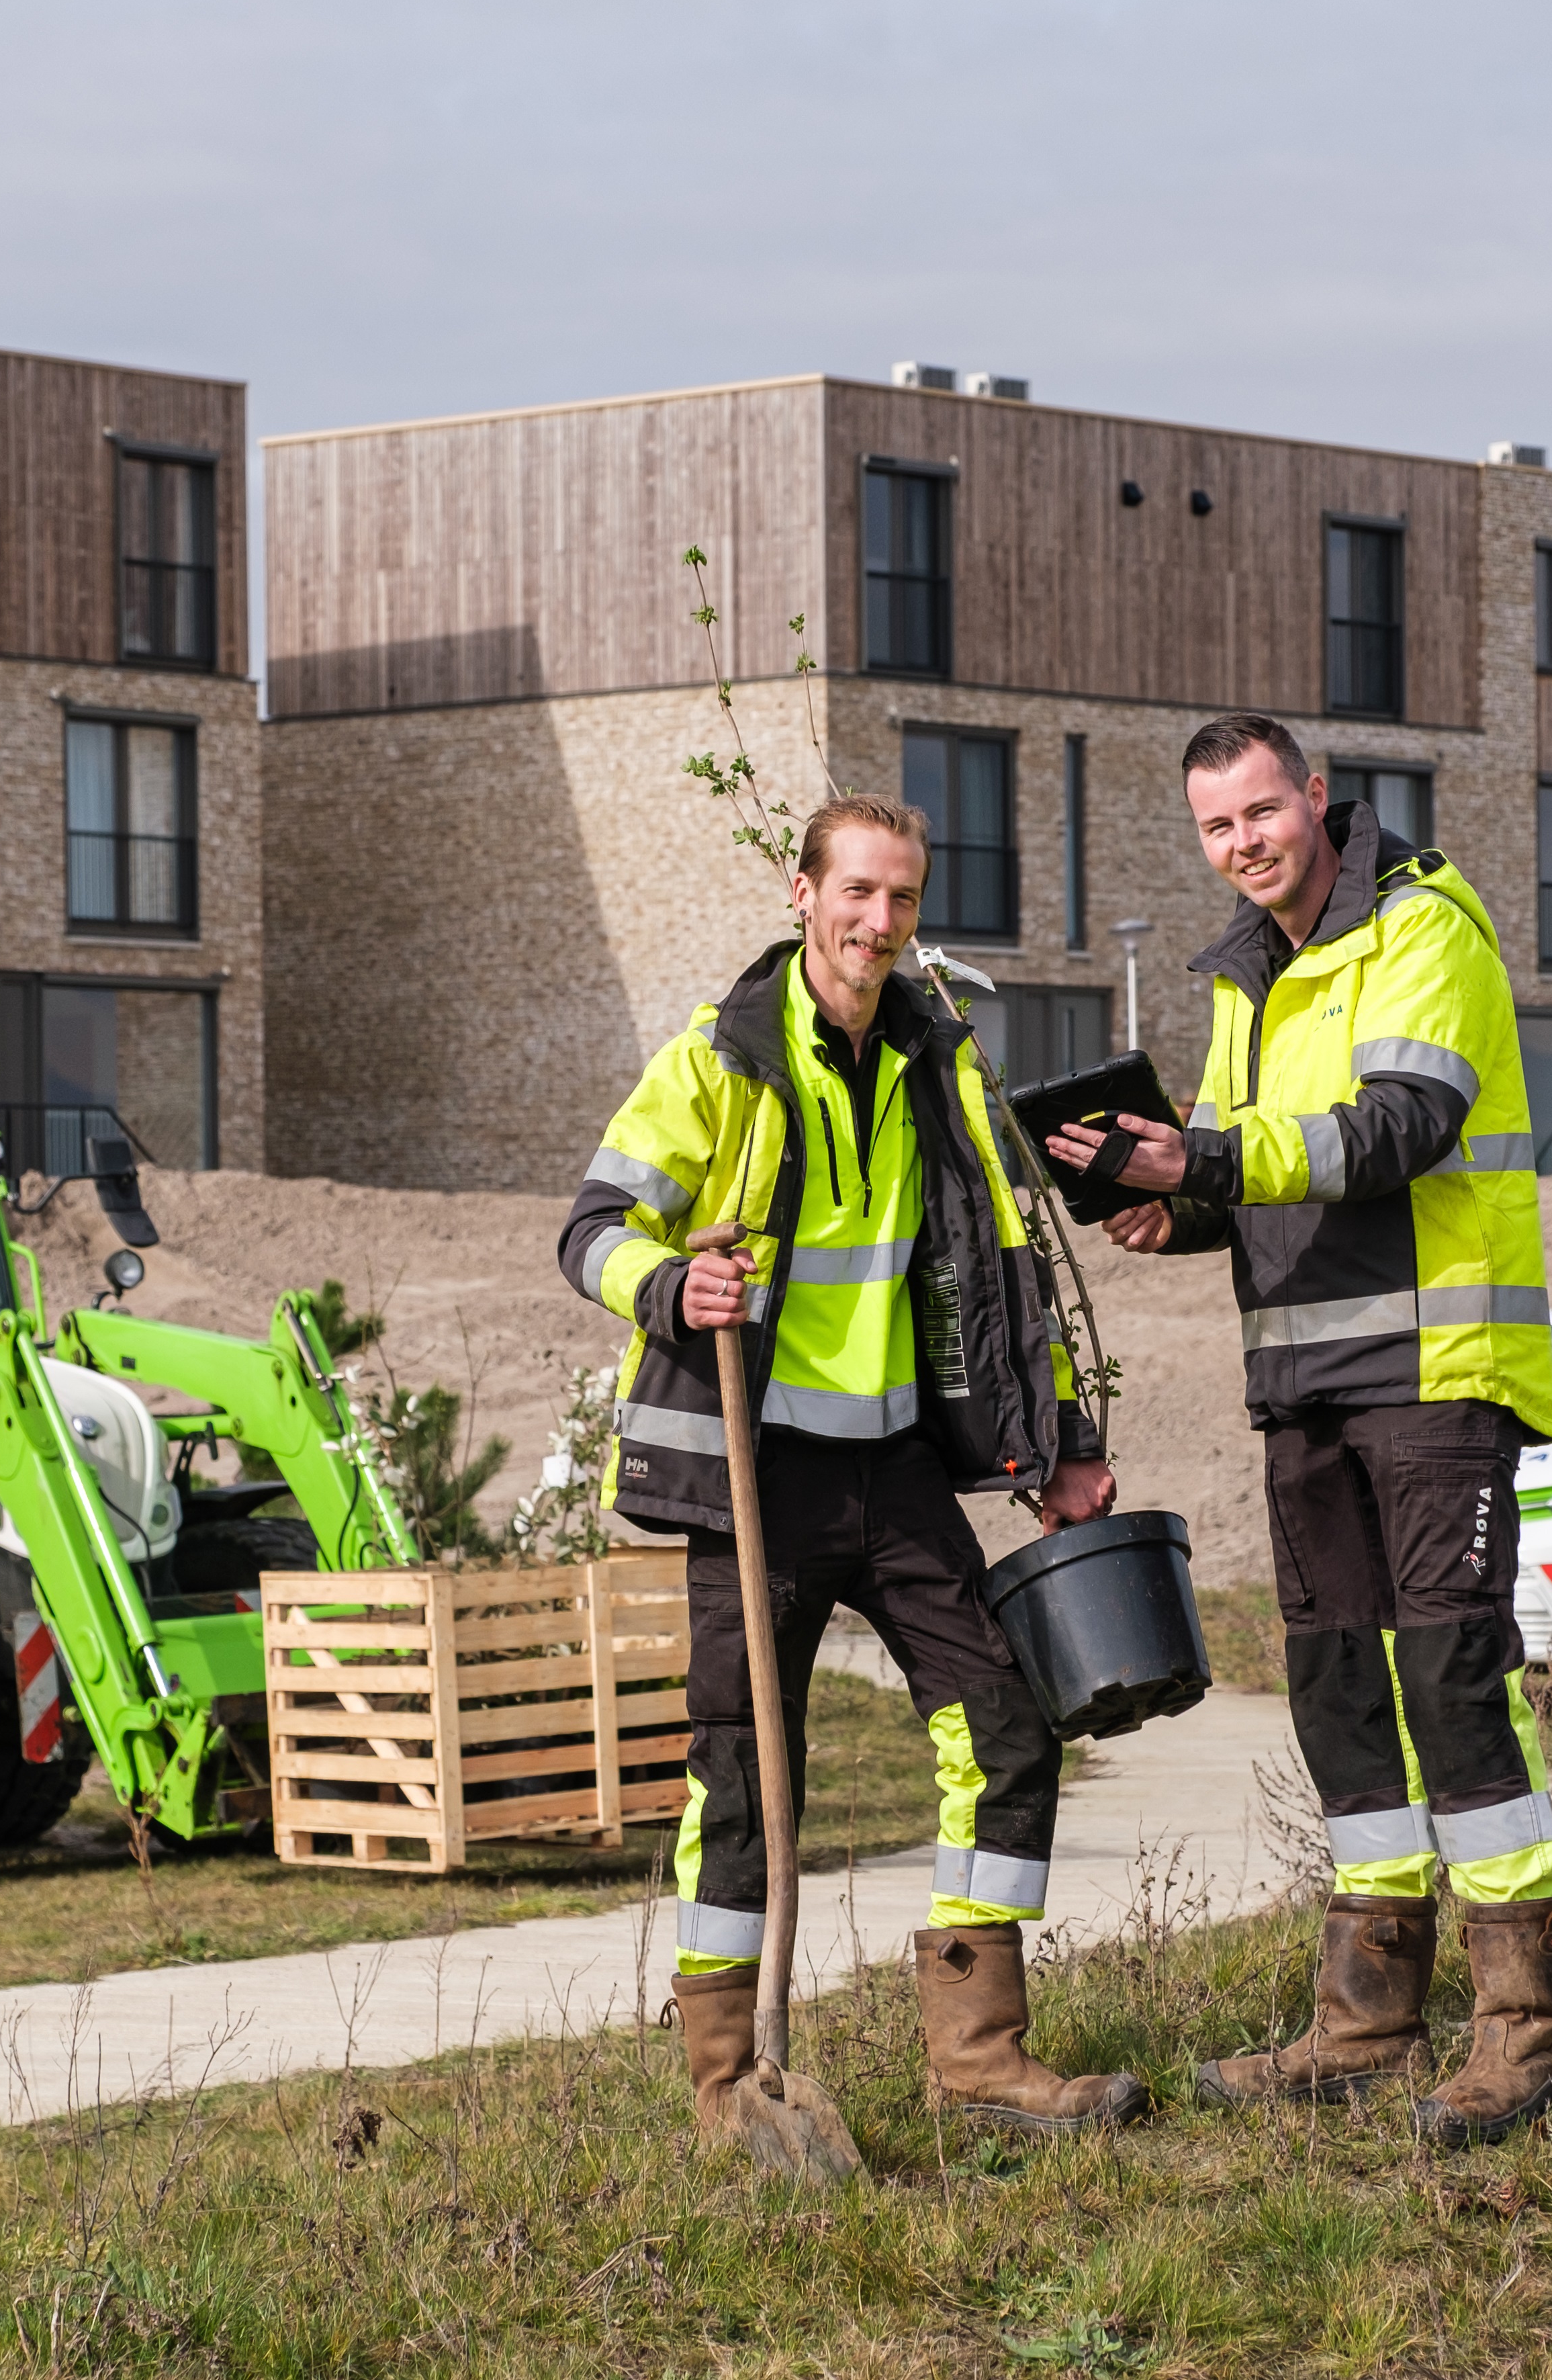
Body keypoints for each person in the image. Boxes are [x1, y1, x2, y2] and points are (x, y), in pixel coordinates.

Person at [559, 793, 1146, 2144]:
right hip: (752, 1480)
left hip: (890, 1473)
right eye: (856, 893)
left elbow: (1004, 1280)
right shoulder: (716, 1060)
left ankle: (979, 2056)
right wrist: (670, 1282)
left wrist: (1057, 1450)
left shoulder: (940, 1066)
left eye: (901, 899)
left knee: (1003, 1728)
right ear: (800, 891)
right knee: (743, 1773)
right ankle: (725, 2084)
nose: (877, 923)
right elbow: (590, 1226)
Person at [1044, 713, 1552, 2149]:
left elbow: (1391, 1128)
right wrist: (1176, 1206)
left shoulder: (1425, 928)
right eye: (1216, 828)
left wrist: (1209, 1157)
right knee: (1336, 1687)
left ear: (1318, 797)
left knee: (1452, 1677)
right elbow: (1252, 1162)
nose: (1241, 845)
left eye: (1260, 813)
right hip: (1301, 1381)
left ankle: (1523, 2038)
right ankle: (1364, 2021)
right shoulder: (1242, 978)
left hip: (1432, 1361)